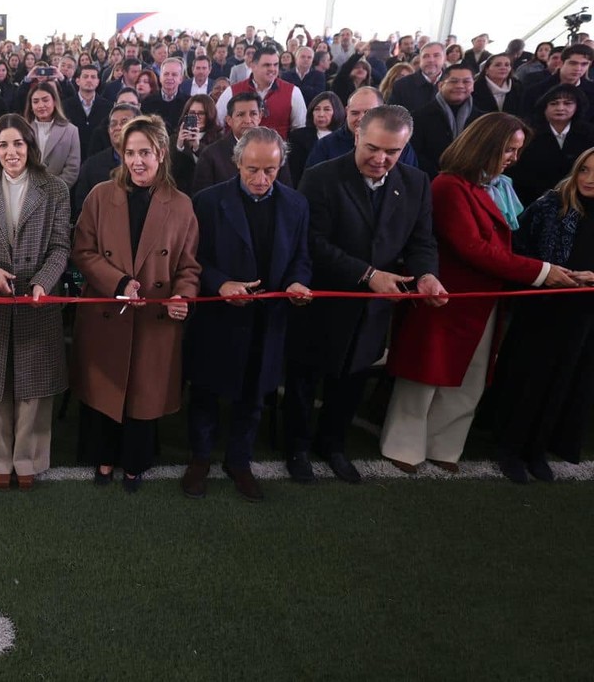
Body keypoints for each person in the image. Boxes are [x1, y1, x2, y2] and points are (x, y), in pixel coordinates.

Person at [381, 114, 573, 474]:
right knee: (424, 376)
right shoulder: (449, 186)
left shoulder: (494, 186)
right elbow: (473, 247)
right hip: (446, 299)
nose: (513, 157)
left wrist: (547, 270)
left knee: (470, 378)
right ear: (484, 146)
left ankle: (444, 446)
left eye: (517, 150)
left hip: (482, 302)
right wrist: (543, 272)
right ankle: (403, 446)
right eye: (508, 149)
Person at [287, 106, 445, 484]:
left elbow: (423, 241)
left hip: (374, 310)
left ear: (405, 146)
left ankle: (333, 445)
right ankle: (296, 448)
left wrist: (426, 276)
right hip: (323, 302)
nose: (380, 159)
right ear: (356, 134)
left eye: (392, 152)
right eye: (372, 147)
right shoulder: (320, 177)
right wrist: (368, 274)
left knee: (353, 378)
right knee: (304, 381)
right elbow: (312, 242)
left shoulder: (417, 182)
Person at [71, 115, 200, 491]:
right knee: (104, 390)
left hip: (153, 319)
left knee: (143, 394)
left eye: (145, 152)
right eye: (130, 153)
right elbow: (83, 251)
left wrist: (183, 297)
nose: (137, 161)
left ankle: (135, 463)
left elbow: (189, 267)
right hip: (107, 313)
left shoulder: (181, 205)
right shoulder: (99, 195)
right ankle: (104, 459)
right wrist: (119, 282)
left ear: (161, 153)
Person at [184, 127, 312, 502]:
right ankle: (200, 459)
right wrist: (221, 284)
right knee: (206, 394)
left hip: (268, 320)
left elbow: (301, 258)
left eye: (270, 171)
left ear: (281, 165)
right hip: (218, 320)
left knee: (254, 396)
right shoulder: (206, 202)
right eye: (252, 169)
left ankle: (240, 460)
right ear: (237, 162)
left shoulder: (296, 204)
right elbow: (193, 260)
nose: (260, 179)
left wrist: (297, 283)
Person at [0, 114, 71, 490]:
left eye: (18, 144)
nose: (11, 152)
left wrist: (42, 282)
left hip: (37, 301)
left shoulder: (55, 189)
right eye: (3, 145)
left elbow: (60, 247)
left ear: (30, 147)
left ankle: (28, 460)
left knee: (33, 385)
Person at [494, 148, 594, 481]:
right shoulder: (551, 203)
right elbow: (518, 246)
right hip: (542, 306)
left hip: (584, 315)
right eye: (585, 170)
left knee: (565, 379)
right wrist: (546, 271)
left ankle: (538, 450)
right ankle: (509, 448)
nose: (589, 179)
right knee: (529, 375)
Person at [187, 93, 292, 195]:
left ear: (260, 117)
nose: (247, 120)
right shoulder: (211, 154)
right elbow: (202, 200)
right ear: (229, 120)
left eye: (253, 114)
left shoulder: (275, 151)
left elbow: (286, 194)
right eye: (240, 115)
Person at [509, 85, 594, 206]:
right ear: (544, 107)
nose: (560, 108)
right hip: (533, 198)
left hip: (579, 198)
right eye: (554, 103)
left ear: (577, 107)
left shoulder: (589, 133)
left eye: (567, 103)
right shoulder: (528, 132)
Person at [304, 86, 419, 171]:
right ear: (346, 111)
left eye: (369, 113)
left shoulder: (399, 146)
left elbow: (409, 184)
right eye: (355, 113)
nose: (361, 119)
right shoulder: (325, 145)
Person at [410, 63, 484, 177]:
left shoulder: (482, 119)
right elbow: (416, 154)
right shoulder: (420, 116)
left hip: (471, 179)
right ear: (440, 86)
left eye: (466, 82)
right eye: (453, 81)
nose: (460, 86)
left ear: (473, 86)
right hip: (432, 180)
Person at [216, 46, 307, 138]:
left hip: (278, 150)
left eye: (275, 64)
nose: (272, 69)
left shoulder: (293, 92)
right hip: (239, 151)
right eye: (267, 65)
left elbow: (300, 128)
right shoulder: (231, 91)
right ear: (253, 66)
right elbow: (217, 124)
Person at [73, 103, 137, 216]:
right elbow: (82, 208)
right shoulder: (91, 166)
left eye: (124, 122)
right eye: (113, 124)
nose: (118, 127)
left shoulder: (150, 164)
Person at [23, 81, 80, 188]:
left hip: (57, 193)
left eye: (45, 100)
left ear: (54, 102)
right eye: (35, 102)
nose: (41, 105)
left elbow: (72, 169)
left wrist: (53, 190)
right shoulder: (23, 129)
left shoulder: (71, 131)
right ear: (31, 106)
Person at [287, 92, 345, 187]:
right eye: (317, 109)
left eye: (327, 109)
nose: (321, 114)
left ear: (337, 111)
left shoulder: (345, 137)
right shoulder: (298, 137)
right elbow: (294, 172)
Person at [389, 42, 446, 112]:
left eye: (436, 55)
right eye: (426, 56)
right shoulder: (402, 85)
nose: (431, 60)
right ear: (420, 60)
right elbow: (393, 115)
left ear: (444, 59)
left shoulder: (454, 84)